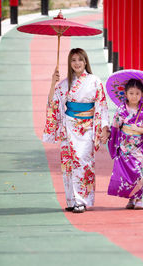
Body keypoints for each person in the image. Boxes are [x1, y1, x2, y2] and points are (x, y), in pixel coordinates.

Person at [43, 48, 110, 213]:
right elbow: (53, 103)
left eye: (80, 59)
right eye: (73, 60)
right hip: (69, 126)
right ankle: (73, 200)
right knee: (69, 164)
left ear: (85, 61)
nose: (77, 63)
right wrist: (53, 83)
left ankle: (82, 200)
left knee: (82, 161)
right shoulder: (65, 83)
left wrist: (104, 128)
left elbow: (102, 105)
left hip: (87, 127)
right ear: (69, 63)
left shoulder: (94, 81)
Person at [107, 79, 143, 210]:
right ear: (126, 94)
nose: (134, 96)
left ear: (141, 95)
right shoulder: (122, 109)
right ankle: (131, 198)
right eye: (131, 93)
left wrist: (138, 129)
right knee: (125, 173)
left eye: (137, 93)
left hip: (138, 148)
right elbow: (115, 127)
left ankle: (139, 199)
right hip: (124, 146)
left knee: (136, 171)